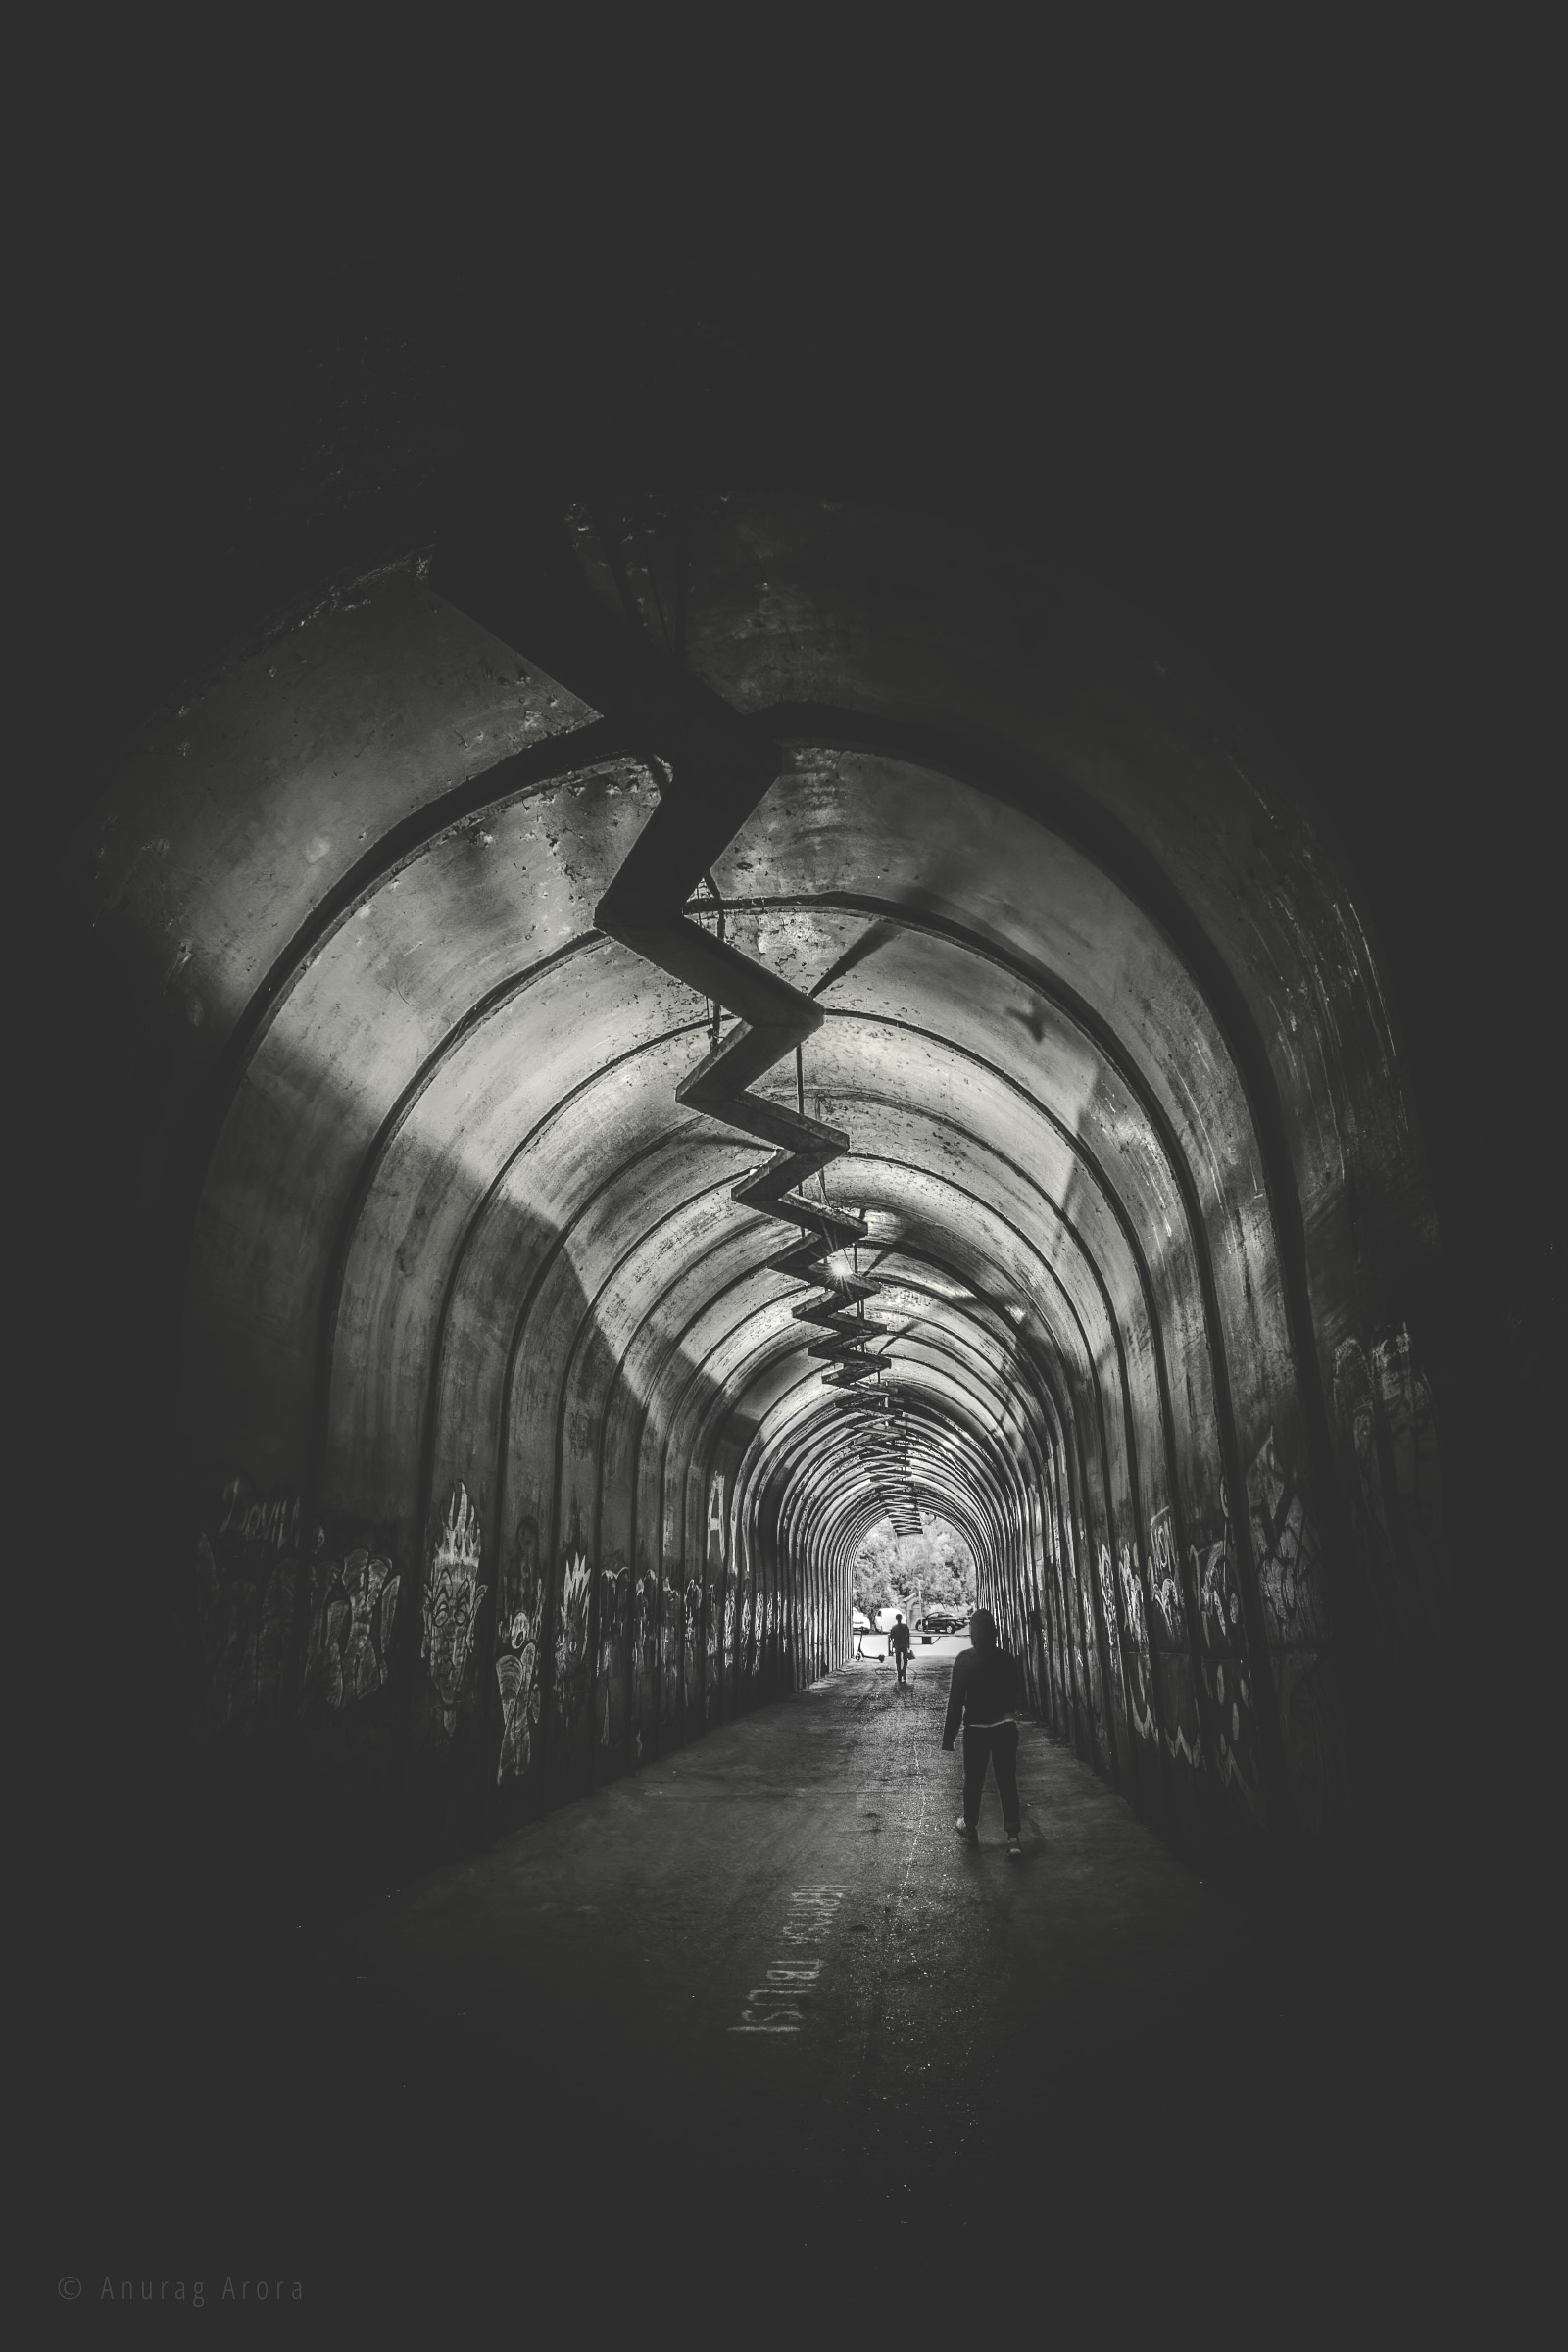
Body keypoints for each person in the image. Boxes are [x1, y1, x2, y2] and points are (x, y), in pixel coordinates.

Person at [941, 1609, 1023, 1855]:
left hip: (976, 1730)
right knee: (1007, 1780)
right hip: (1004, 1727)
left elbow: (956, 1702)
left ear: (973, 1635)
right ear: (995, 1633)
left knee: (974, 1781)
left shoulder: (964, 1661)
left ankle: (971, 1827)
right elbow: (1016, 1694)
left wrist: (948, 1737)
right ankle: (1013, 1838)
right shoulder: (1007, 1659)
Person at [890, 1612, 912, 1683]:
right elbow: (908, 1636)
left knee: (898, 1661)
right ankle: (904, 1672)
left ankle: (899, 1674)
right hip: (904, 1645)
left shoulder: (894, 1627)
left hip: (897, 1646)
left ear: (896, 1619)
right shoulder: (905, 1626)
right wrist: (908, 1645)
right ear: (901, 1618)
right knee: (905, 1660)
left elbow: (891, 1637)